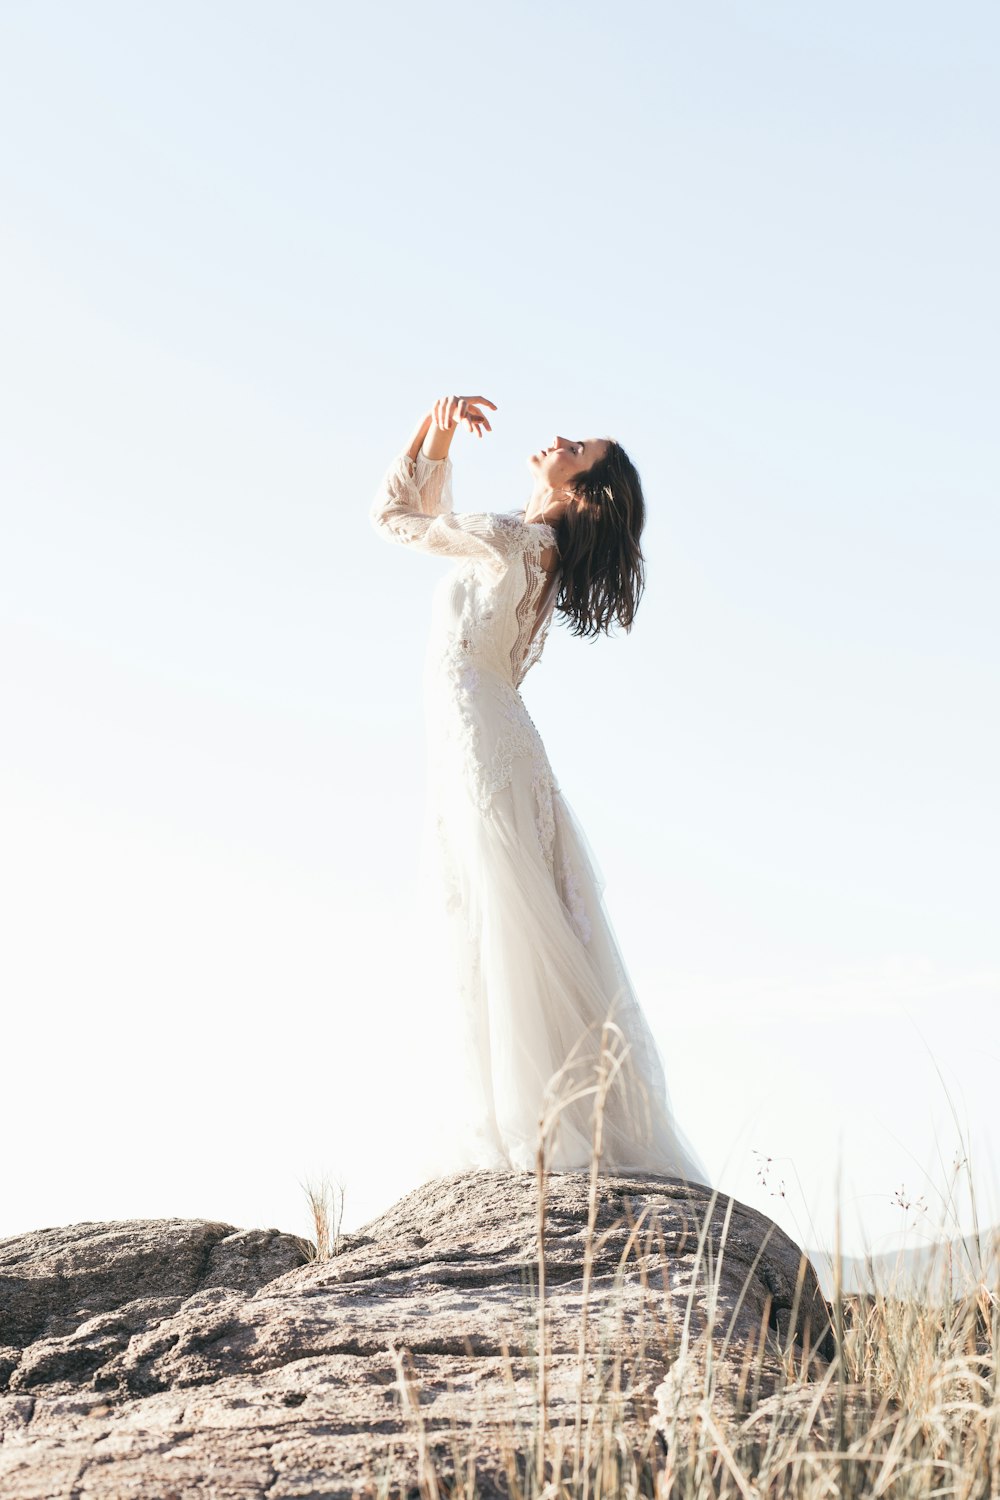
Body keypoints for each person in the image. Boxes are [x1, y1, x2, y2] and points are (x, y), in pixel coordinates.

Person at [370, 393, 710, 1187]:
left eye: (577, 447)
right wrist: (437, 436)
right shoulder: (526, 546)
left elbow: (393, 516)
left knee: (497, 916)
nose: (557, 439)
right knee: (502, 916)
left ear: (583, 489)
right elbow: (438, 518)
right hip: (491, 734)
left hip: (482, 738)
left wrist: (434, 430)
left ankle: (526, 1126)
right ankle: (538, 1119)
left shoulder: (516, 543)